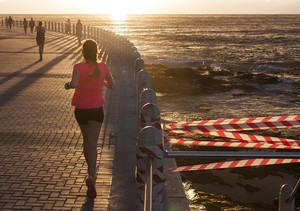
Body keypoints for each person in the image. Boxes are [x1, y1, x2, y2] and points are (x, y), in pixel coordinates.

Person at [64, 39, 116, 199]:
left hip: (81, 110)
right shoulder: (103, 67)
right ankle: (91, 175)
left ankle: (90, 173)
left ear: (84, 52)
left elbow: (73, 83)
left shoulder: (78, 67)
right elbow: (113, 86)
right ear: (96, 51)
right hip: (96, 110)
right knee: (92, 143)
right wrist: (102, 83)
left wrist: (68, 85)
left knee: (86, 141)